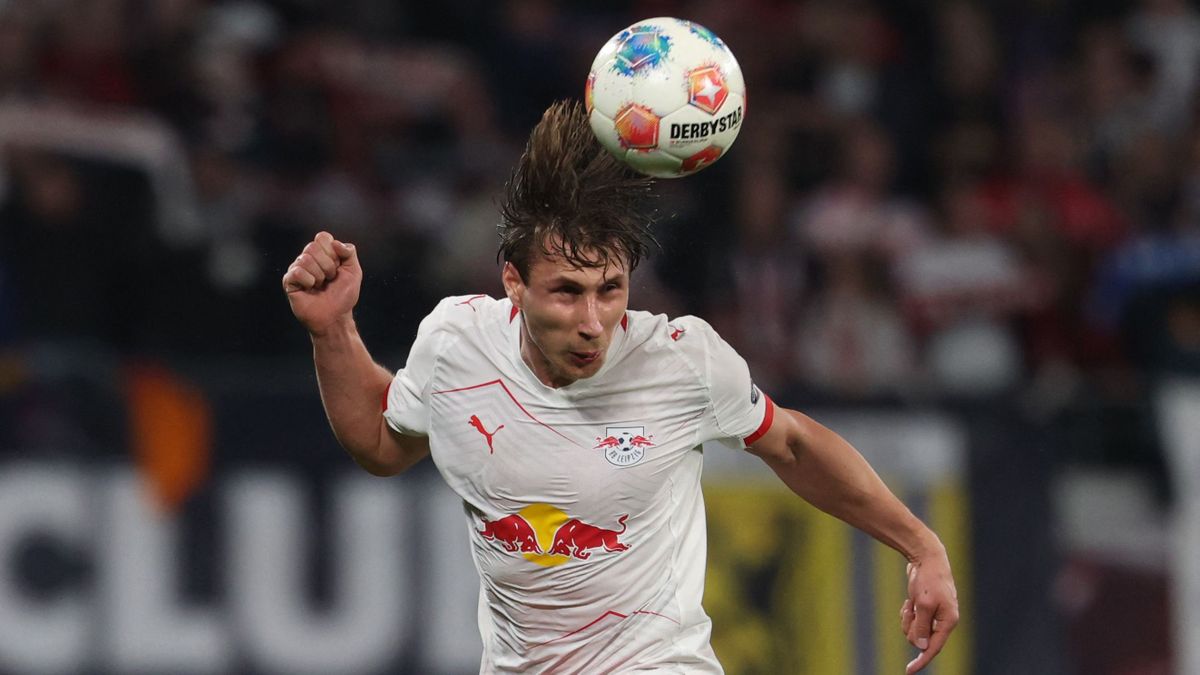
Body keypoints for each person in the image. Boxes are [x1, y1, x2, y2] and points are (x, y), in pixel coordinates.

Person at [283, 100, 958, 674]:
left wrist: (920, 545)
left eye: (610, 289)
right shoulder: (455, 345)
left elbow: (793, 443)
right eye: (565, 292)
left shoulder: (680, 359)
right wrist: (333, 329)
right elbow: (382, 444)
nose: (592, 321)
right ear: (513, 281)